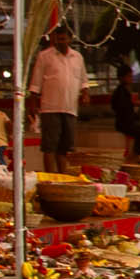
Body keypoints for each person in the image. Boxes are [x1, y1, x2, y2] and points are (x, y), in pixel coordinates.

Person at [28, 26, 86, 175]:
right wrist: (33, 103)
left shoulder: (77, 57)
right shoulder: (44, 56)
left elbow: (83, 81)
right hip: (50, 108)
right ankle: (50, 176)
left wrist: (86, 93)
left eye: (63, 39)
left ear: (69, 39)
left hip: (70, 108)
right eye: (57, 39)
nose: (60, 42)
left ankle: (63, 176)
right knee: (49, 146)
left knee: (65, 147)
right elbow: (36, 82)